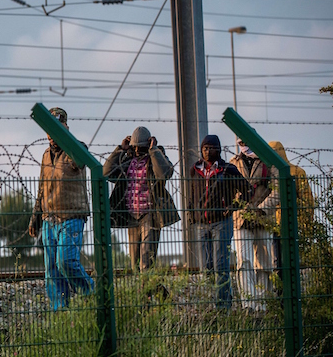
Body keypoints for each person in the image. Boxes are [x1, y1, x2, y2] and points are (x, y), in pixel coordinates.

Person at [27, 108, 94, 310]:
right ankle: (61, 310)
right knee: (52, 270)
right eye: (49, 130)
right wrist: (35, 219)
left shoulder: (76, 149)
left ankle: (91, 293)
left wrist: (66, 138)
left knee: (66, 262)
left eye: (56, 129)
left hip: (71, 215)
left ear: (65, 127)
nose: (51, 134)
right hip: (49, 218)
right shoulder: (46, 155)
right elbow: (41, 189)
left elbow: (80, 161)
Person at [103, 126, 179, 273]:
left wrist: (154, 151)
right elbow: (106, 172)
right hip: (131, 215)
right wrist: (120, 149)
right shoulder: (126, 161)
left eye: (141, 148)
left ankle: (146, 293)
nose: (138, 151)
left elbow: (163, 174)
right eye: (135, 147)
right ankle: (148, 291)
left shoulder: (157, 157)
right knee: (135, 263)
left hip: (150, 214)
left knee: (146, 263)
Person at [187, 135, 250, 309]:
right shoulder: (195, 170)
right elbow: (191, 193)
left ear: (218, 149)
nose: (207, 151)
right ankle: (209, 304)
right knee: (206, 267)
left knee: (220, 265)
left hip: (221, 222)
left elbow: (247, 190)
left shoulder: (227, 169)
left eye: (210, 148)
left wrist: (234, 206)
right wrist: (191, 212)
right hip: (201, 223)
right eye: (204, 148)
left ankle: (223, 307)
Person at [230, 139, 279, 312]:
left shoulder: (268, 161)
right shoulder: (233, 163)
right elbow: (228, 189)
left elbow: (278, 189)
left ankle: (263, 303)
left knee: (264, 262)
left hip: (263, 219)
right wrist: (238, 204)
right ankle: (248, 304)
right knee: (244, 261)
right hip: (241, 218)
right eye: (241, 141)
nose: (244, 144)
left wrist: (262, 209)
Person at [268, 140, 315, 287]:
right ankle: (281, 298)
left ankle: (291, 296)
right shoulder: (266, 174)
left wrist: (305, 223)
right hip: (273, 227)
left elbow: (307, 200)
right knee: (277, 264)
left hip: (293, 225)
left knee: (291, 264)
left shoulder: (296, 172)